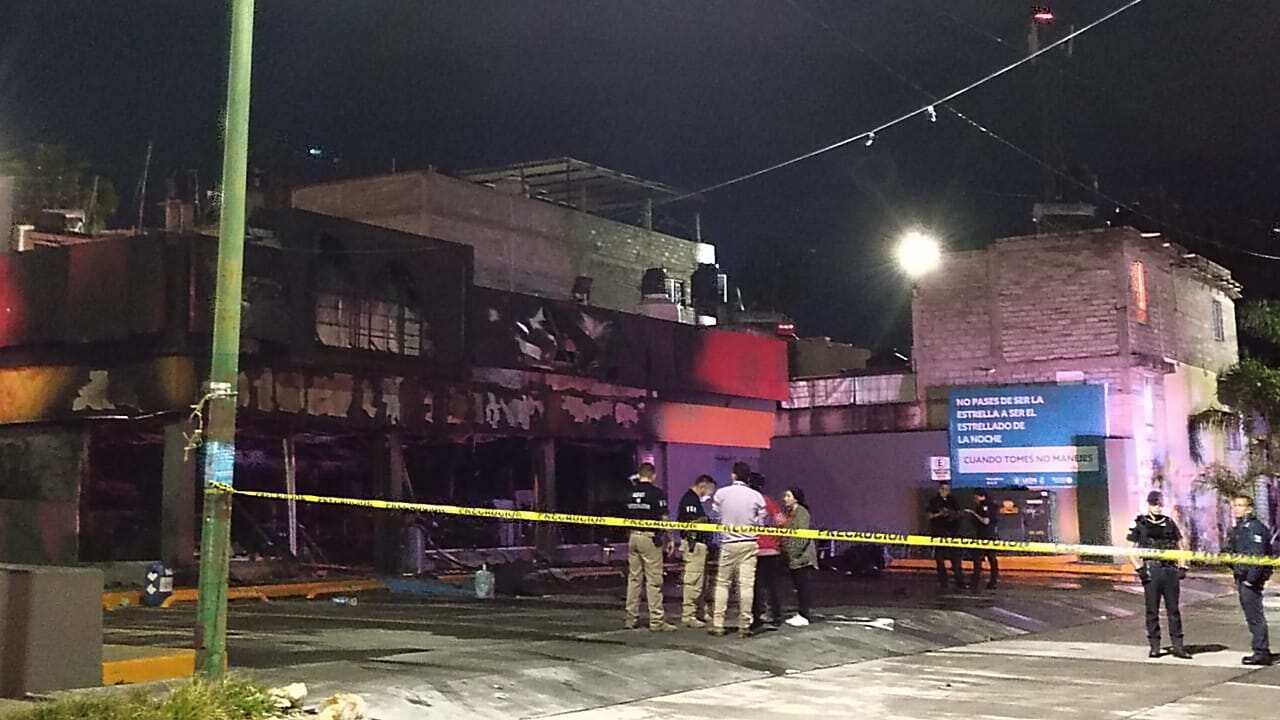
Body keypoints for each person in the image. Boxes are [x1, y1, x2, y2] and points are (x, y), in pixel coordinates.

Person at [1127, 490, 1191, 659]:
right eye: (1154, 504)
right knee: (1152, 610)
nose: (1157, 507)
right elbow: (1131, 550)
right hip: (1152, 568)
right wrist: (1140, 569)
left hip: (1169, 569)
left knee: (1173, 610)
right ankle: (1155, 645)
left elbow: (1180, 546)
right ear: (1149, 505)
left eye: (1160, 504)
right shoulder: (1140, 523)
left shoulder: (1169, 523)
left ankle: (1178, 645)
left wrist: (1183, 566)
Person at [708, 461, 766, 638]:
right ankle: (744, 624)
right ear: (748, 477)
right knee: (746, 585)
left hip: (728, 543)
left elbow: (715, 515)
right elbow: (761, 522)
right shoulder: (756, 496)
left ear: (733, 475)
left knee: (722, 583)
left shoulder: (721, 494)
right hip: (749, 543)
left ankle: (718, 623)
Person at [622, 462, 677, 631]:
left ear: (639, 475)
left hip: (633, 536)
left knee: (634, 579)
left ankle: (630, 619)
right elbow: (664, 518)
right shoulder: (657, 493)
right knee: (654, 580)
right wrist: (670, 538)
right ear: (653, 475)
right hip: (649, 538)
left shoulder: (629, 492)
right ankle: (656, 620)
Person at [1227, 494, 1273, 665]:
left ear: (1249, 509)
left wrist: (1251, 580)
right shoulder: (1239, 528)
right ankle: (1260, 649)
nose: (1236, 509)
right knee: (1251, 615)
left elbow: (1258, 556)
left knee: (1255, 616)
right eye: (1235, 505)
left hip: (1249, 578)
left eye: (1240, 505)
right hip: (1242, 575)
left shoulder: (1254, 528)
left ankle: (1261, 652)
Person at [676, 474, 717, 628]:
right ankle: (689, 614)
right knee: (693, 580)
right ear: (702, 486)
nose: (710, 495)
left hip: (700, 545)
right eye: (710, 491)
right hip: (694, 545)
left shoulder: (694, 500)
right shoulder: (690, 500)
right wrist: (706, 520)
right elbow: (690, 524)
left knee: (701, 582)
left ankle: (699, 611)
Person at [748, 473, 785, 631]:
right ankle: (776, 615)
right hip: (771, 549)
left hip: (754, 548)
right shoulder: (769, 501)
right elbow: (781, 522)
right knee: (772, 584)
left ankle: (756, 616)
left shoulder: (748, 501)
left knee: (755, 585)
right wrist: (776, 540)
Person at [781, 486, 818, 627]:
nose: (785, 499)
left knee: (803, 586)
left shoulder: (802, 513)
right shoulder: (791, 513)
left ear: (795, 498)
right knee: (798, 586)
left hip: (802, 557)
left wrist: (793, 552)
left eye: (788, 496)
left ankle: (804, 615)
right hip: (794, 557)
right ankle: (801, 613)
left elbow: (803, 535)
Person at [926, 481, 964, 590]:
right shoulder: (934, 501)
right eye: (943, 489)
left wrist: (951, 513)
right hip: (938, 533)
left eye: (947, 489)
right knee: (939, 559)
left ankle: (959, 581)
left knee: (955, 559)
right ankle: (943, 582)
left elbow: (959, 514)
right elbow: (928, 516)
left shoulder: (953, 500)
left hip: (952, 533)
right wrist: (939, 513)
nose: (945, 491)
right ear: (939, 489)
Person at [965, 488, 999, 590]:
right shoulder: (991, 505)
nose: (974, 499)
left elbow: (985, 521)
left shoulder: (984, 506)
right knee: (991, 560)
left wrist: (973, 513)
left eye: (975, 497)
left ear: (979, 496)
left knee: (979, 560)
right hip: (989, 535)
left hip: (985, 537)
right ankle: (992, 582)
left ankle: (975, 583)